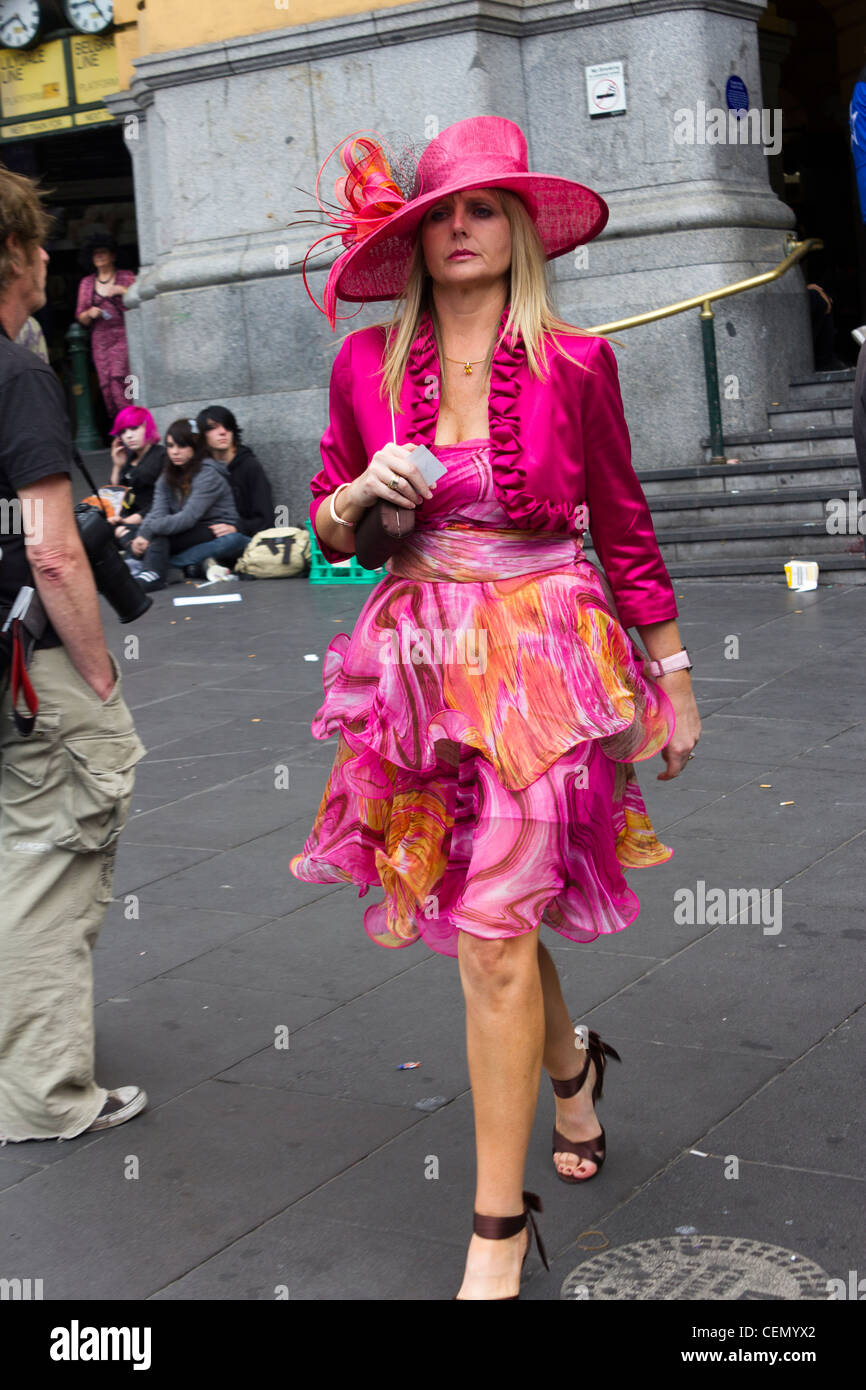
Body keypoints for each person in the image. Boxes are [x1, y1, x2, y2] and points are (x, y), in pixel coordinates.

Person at [289, 118, 701, 1300]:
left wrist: (671, 676)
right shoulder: (363, 366)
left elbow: (622, 524)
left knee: (488, 934)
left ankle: (494, 1227)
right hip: (415, 666)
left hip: (544, 663)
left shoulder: (575, 362)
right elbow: (329, 521)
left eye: (479, 209)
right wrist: (357, 494)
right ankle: (571, 1068)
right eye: (436, 216)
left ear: (517, 226)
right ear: (412, 241)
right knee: (489, 919)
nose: (457, 229)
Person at [0, 163, 147, 1141]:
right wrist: (97, 669)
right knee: (54, 857)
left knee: (19, 850)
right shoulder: (18, 372)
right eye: (35, 240)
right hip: (32, 659)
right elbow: (53, 548)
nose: (49, 256)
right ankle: (44, 1093)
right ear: (9, 254)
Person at [129, 418, 251, 590]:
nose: (175, 452)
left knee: (159, 535)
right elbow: (157, 512)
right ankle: (156, 568)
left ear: (195, 447)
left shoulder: (208, 475)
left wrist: (150, 531)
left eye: (181, 446)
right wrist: (142, 535)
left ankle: (155, 572)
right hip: (186, 532)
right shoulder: (167, 476)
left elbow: (187, 518)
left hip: (214, 532)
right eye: (170, 446)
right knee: (132, 533)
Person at [74, 232, 136, 421]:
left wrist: (122, 291)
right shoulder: (86, 283)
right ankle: (121, 428)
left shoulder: (126, 277)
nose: (99, 256)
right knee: (106, 385)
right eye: (95, 254)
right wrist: (89, 314)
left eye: (103, 252)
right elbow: (80, 317)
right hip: (100, 338)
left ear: (113, 255)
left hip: (124, 335)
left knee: (121, 379)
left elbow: (139, 300)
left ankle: (132, 422)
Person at [196, 405, 274, 546]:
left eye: (227, 426)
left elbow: (266, 519)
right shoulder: (201, 468)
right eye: (213, 427)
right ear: (203, 435)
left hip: (243, 539)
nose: (223, 432)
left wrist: (237, 527)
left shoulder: (249, 466)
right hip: (207, 535)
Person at [107, 405, 166, 548]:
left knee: (114, 533)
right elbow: (115, 494)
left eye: (134, 429)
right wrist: (117, 466)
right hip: (125, 518)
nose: (128, 436)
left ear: (147, 428)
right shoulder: (130, 457)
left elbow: (164, 499)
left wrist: (127, 521)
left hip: (149, 520)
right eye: (123, 431)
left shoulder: (161, 455)